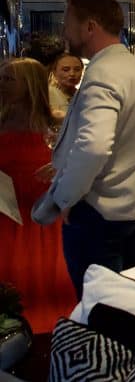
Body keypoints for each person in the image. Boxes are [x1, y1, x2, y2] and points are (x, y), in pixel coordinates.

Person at [31, 0, 135, 299]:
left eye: (68, 23)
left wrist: (66, 197)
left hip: (100, 207)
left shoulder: (102, 74)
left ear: (90, 27)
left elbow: (93, 146)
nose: (64, 32)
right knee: (131, 303)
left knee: (99, 306)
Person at [0, 58, 77, 331]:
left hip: (42, 210)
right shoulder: (2, 121)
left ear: (29, 84)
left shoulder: (57, 122)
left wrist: (61, 166)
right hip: (7, 210)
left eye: (9, 79)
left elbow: (80, 159)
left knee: (45, 268)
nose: (2, 84)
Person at [48, 52, 83, 122]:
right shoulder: (47, 94)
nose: (72, 74)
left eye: (77, 69)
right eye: (66, 70)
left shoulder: (84, 95)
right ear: (54, 72)